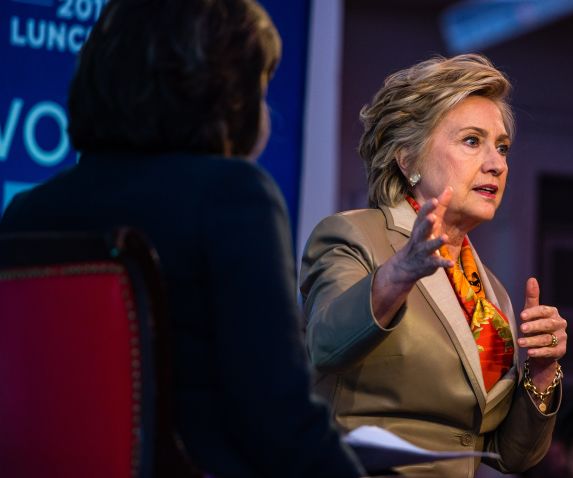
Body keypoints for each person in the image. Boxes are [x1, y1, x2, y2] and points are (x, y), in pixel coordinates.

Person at [0, 1, 362, 476]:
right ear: (228, 95)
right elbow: (279, 423)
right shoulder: (234, 196)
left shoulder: (25, 213)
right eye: (260, 88)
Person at [300, 54, 568, 478]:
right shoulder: (355, 236)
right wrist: (399, 273)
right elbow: (325, 344)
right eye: (471, 141)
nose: (496, 164)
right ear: (408, 160)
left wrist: (542, 371)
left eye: (501, 147)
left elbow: (513, 456)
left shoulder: (491, 292)